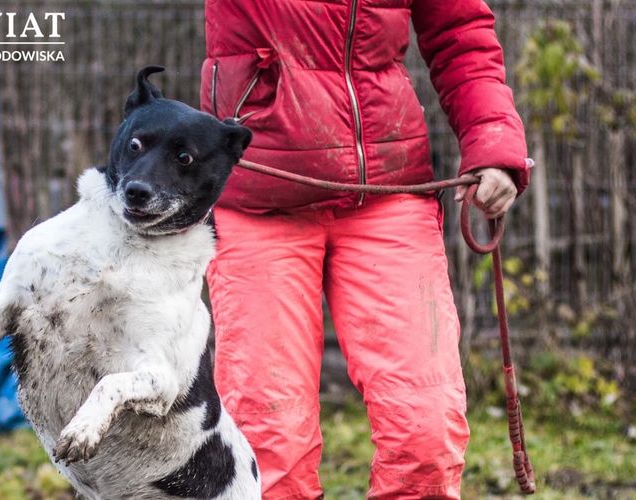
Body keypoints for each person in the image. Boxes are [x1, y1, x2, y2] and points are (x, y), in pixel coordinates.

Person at [200, 1, 531, 498]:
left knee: (425, 431)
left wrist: (493, 144)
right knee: (267, 442)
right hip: (261, 198)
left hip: (387, 187)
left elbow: (461, 33)